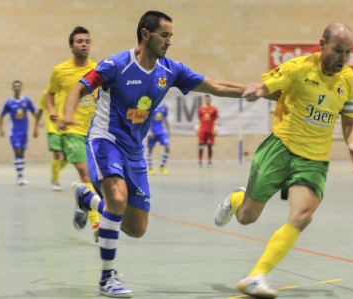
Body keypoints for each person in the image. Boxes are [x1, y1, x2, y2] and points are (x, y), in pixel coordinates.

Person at [62, 10, 248, 298]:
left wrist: (256, 90)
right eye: (165, 35)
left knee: (136, 228)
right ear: (146, 34)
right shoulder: (116, 64)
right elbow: (79, 88)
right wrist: (67, 115)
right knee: (119, 198)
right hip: (106, 139)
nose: (169, 41)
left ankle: (87, 198)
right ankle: (106, 278)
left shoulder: (170, 70)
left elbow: (218, 86)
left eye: (171, 36)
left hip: (135, 151)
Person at [214, 23, 353, 298]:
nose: (343, 57)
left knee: (303, 216)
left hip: (314, 159)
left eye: (348, 52)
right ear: (322, 44)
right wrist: (258, 90)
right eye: (338, 50)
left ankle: (256, 276)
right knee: (246, 217)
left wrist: (352, 142)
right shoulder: (298, 67)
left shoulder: (350, 80)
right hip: (280, 149)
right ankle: (237, 199)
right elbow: (268, 85)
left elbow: (350, 119)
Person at [46, 26, 100, 241]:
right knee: (85, 174)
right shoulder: (60, 71)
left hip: (96, 131)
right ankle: (97, 223)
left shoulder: (98, 68)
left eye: (87, 41)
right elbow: (50, 94)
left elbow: (107, 91)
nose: (84, 44)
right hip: (72, 130)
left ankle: (82, 200)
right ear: (71, 46)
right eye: (79, 41)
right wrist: (53, 112)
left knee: (97, 179)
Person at [0, 80, 36, 185]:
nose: (17, 88)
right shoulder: (9, 102)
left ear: (22, 87)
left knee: (22, 153)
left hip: (24, 131)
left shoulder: (26, 101)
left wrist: (38, 123)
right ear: (12, 88)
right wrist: (1, 129)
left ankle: (21, 173)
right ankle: (20, 176)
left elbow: (34, 112)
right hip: (13, 131)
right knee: (17, 151)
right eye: (15, 86)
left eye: (18, 86)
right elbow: (1, 116)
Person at [33, 89, 67, 191]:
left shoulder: (65, 92)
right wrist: (35, 127)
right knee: (56, 154)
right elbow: (40, 111)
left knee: (67, 157)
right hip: (52, 128)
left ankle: (54, 172)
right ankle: (55, 181)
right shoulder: (46, 93)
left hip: (65, 127)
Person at [146, 103, 170, 175]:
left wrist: (168, 130)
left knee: (167, 147)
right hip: (152, 132)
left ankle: (162, 166)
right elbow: (147, 120)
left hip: (161, 132)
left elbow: (165, 119)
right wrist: (149, 131)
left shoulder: (164, 107)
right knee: (150, 149)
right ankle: (150, 168)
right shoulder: (151, 106)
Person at [197, 94, 218, 167]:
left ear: (210, 100)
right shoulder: (201, 109)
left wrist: (215, 128)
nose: (207, 100)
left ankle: (209, 162)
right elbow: (199, 119)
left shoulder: (214, 109)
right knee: (201, 146)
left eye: (208, 99)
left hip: (210, 130)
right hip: (202, 130)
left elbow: (215, 120)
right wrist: (197, 128)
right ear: (205, 100)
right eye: (206, 99)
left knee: (209, 146)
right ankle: (199, 162)